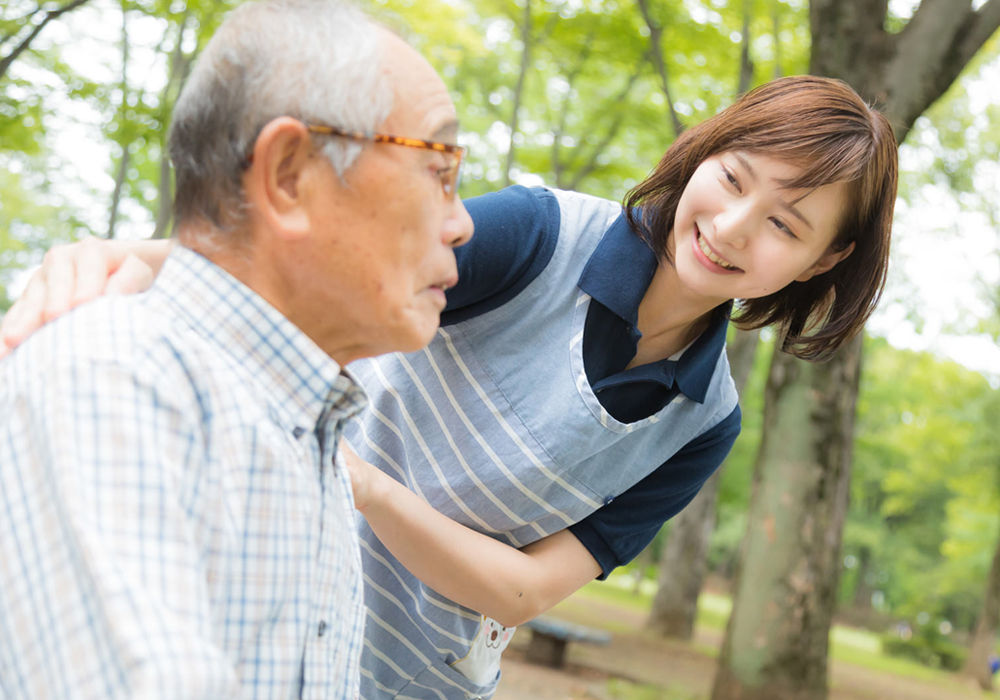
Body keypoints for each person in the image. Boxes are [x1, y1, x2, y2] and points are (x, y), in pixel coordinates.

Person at [0, 76, 898, 700]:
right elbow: (305, 278)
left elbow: (520, 593)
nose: (732, 227)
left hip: (423, 678)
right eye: (732, 179)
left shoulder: (703, 422)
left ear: (825, 260)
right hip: (274, 608)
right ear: (703, 156)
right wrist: (122, 257)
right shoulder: (543, 236)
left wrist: (361, 482)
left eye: (784, 223)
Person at [0, 0, 473, 698]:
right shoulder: (113, 383)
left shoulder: (312, 439)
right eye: (439, 167)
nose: (462, 222)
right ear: (288, 176)